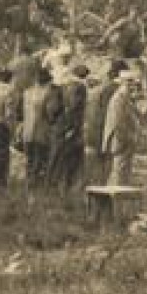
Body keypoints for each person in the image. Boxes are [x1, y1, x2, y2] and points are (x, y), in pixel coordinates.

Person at [17, 63, 62, 195]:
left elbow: (20, 113)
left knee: (29, 162)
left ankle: (28, 189)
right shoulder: (50, 92)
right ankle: (38, 191)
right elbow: (51, 113)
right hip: (42, 132)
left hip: (27, 132)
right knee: (41, 162)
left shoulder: (26, 92)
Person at [82, 60, 124, 192]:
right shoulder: (113, 90)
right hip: (102, 133)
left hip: (94, 132)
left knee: (96, 168)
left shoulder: (99, 89)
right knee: (103, 170)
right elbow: (110, 115)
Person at [101, 68, 143, 188]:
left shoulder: (125, 98)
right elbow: (118, 123)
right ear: (125, 83)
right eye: (131, 83)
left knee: (123, 172)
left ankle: (119, 197)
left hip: (125, 141)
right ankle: (115, 199)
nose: (133, 86)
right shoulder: (119, 99)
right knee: (119, 172)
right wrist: (128, 138)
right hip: (121, 141)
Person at [54, 64, 88, 199]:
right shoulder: (79, 87)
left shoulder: (63, 86)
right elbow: (74, 109)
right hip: (73, 128)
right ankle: (68, 190)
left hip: (63, 127)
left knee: (65, 159)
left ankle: (63, 189)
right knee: (73, 160)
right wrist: (73, 128)